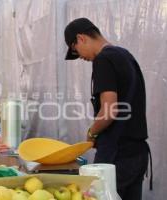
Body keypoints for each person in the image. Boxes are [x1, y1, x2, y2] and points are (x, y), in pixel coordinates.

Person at [64, 18, 152, 200]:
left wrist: (91, 132)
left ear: (81, 38)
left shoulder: (103, 60)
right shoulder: (125, 55)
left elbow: (109, 111)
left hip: (116, 157)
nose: (80, 56)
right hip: (138, 154)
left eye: (75, 50)